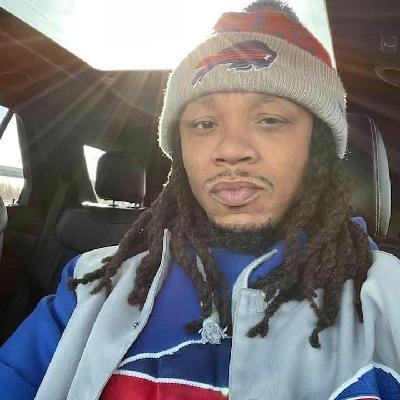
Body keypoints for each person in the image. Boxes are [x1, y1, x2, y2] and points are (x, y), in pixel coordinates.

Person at [1, 1, 400, 399]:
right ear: (181, 152)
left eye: (270, 120)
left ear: (318, 148)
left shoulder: (386, 298)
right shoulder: (93, 288)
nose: (230, 149)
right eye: (204, 124)